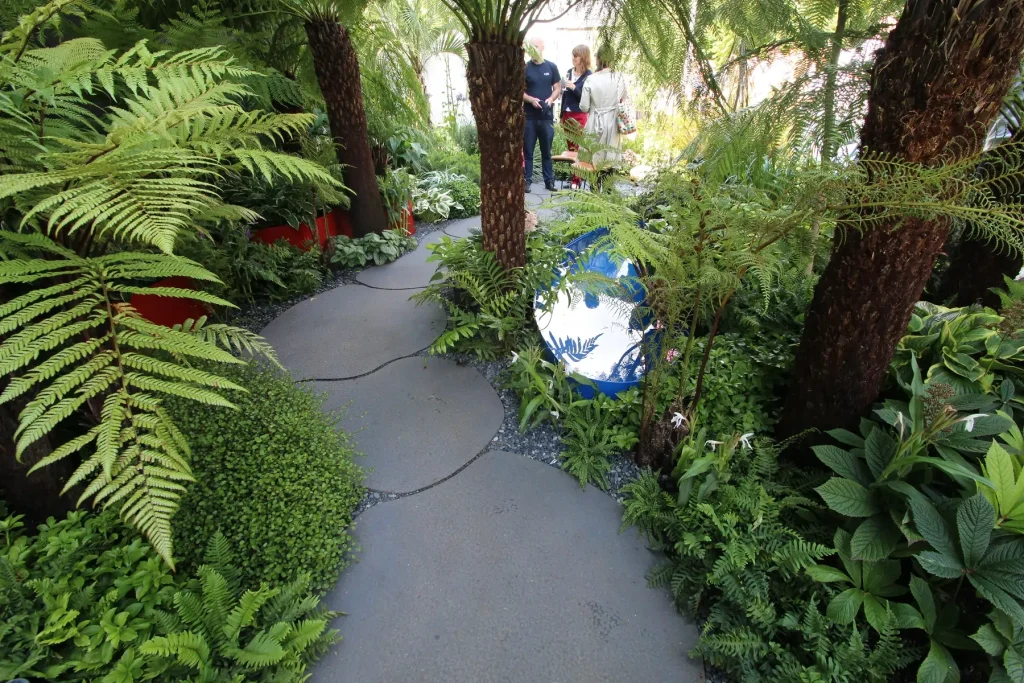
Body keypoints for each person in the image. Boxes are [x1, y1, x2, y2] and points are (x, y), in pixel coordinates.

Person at [580, 43, 628, 168]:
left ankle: (594, 187)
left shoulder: (591, 79)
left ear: (598, 59)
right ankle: (609, 187)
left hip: (594, 122)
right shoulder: (620, 78)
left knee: (593, 161)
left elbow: (584, 107)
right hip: (613, 123)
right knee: (611, 161)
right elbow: (625, 100)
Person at [522, 37, 561, 192]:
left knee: (547, 151)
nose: (534, 49)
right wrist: (531, 100)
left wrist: (551, 99)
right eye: (531, 47)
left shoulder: (551, 67)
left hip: (546, 117)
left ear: (542, 47)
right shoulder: (524, 68)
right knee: (528, 151)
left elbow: (557, 87)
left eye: (536, 46)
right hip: (529, 117)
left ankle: (549, 181)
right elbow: (519, 91)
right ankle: (527, 181)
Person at [560, 44, 592, 190]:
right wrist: (561, 114)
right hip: (567, 113)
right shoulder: (569, 72)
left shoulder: (588, 76)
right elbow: (565, 94)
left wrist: (574, 88)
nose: (573, 58)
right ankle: (574, 178)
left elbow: (586, 98)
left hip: (579, 114)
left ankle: (576, 180)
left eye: (576, 55)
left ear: (583, 57)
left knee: (578, 147)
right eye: (573, 55)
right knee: (570, 147)